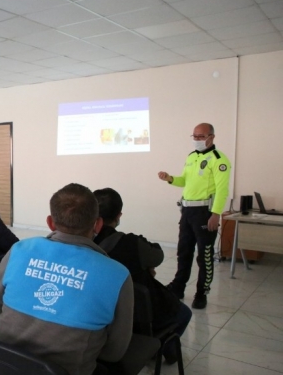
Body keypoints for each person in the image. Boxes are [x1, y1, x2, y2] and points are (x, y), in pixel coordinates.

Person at [0, 183, 133, 375]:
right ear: (97, 224)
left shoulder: (20, 250)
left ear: (50, 222)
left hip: (1, 367)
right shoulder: (117, 274)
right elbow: (114, 352)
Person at [93, 187, 192, 364]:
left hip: (102, 313)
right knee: (184, 313)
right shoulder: (133, 244)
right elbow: (157, 256)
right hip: (137, 314)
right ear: (119, 215)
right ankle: (161, 348)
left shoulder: (83, 242)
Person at [158, 123, 231, 309]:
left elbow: (222, 190)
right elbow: (185, 181)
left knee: (204, 256)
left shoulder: (219, 159)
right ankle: (178, 287)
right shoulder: (192, 156)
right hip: (187, 211)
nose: (197, 140)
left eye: (201, 136)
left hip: (205, 212)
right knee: (184, 251)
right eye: (195, 136)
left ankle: (201, 293)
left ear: (211, 137)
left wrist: (216, 214)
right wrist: (170, 178)